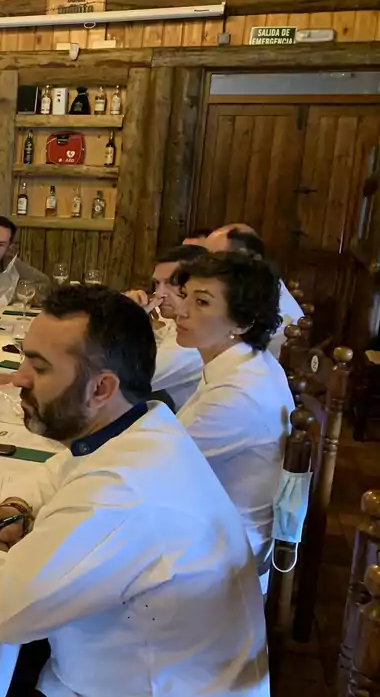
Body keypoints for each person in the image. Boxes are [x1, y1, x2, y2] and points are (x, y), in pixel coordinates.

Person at [0, 285, 268, 697]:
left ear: (102, 389)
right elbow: (60, 469)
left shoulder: (123, 493)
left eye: (39, 368)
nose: (19, 378)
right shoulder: (140, 428)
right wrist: (14, 508)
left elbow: (1, 613)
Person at [173, 251, 292, 578]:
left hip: (222, 555)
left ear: (242, 322)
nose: (180, 311)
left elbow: (154, 470)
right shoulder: (244, 362)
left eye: (201, 303)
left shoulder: (237, 395)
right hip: (211, 521)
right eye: (185, 296)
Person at [201, 222, 304, 357]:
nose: (204, 265)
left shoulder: (258, 299)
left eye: (214, 258)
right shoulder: (251, 287)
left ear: (243, 259)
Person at [124, 244, 206, 410]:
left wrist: (127, 318)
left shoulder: (194, 340)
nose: (160, 293)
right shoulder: (171, 321)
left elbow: (126, 380)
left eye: (171, 284)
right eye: (156, 284)